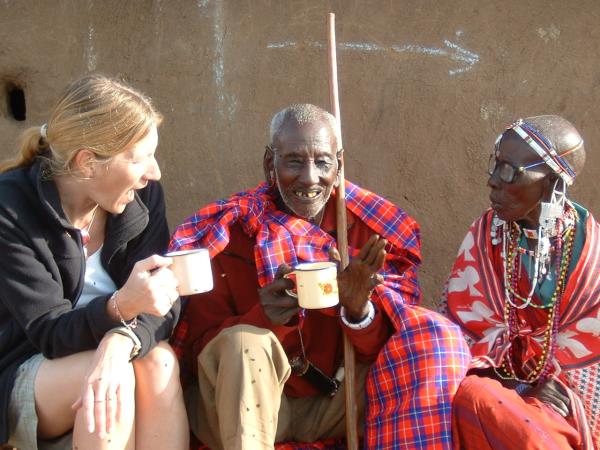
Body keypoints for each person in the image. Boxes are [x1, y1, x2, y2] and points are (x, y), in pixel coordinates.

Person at [170, 103, 470, 449]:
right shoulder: (232, 230)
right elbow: (197, 355)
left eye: (323, 162)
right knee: (244, 343)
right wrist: (262, 319)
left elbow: (388, 348)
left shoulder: (364, 232)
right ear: (271, 163)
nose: (310, 178)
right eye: (294, 161)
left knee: (430, 340)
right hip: (250, 412)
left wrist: (359, 313)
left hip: (337, 403)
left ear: (339, 165)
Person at [0, 75, 189, 450]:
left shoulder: (143, 196)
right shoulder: (11, 209)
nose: (155, 172)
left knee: (159, 363)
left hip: (114, 354)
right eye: (140, 158)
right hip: (30, 368)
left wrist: (119, 340)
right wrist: (121, 308)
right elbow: (49, 332)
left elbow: (166, 299)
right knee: (113, 382)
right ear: (87, 163)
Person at [441, 115, 600, 449]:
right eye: (495, 166)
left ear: (554, 182)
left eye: (511, 171)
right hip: (495, 387)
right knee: (471, 396)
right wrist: (515, 385)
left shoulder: (591, 255)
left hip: (565, 404)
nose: (494, 182)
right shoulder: (486, 234)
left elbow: (591, 355)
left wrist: (554, 388)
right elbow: (459, 330)